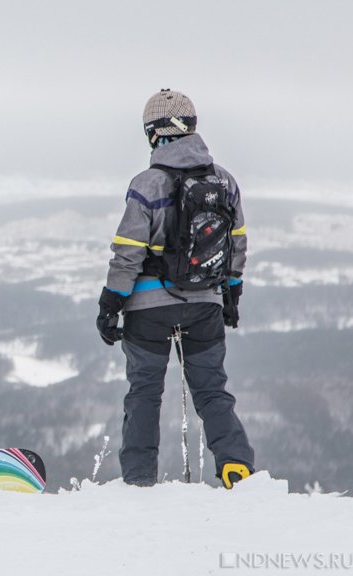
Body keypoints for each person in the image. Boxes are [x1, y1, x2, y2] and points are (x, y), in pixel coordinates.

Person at [96, 89, 255, 489]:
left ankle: (138, 481)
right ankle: (236, 467)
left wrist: (111, 302)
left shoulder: (147, 184)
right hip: (205, 305)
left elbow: (128, 251)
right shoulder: (224, 180)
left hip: (147, 309)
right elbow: (237, 242)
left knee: (144, 394)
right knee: (212, 391)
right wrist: (231, 294)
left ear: (154, 134)